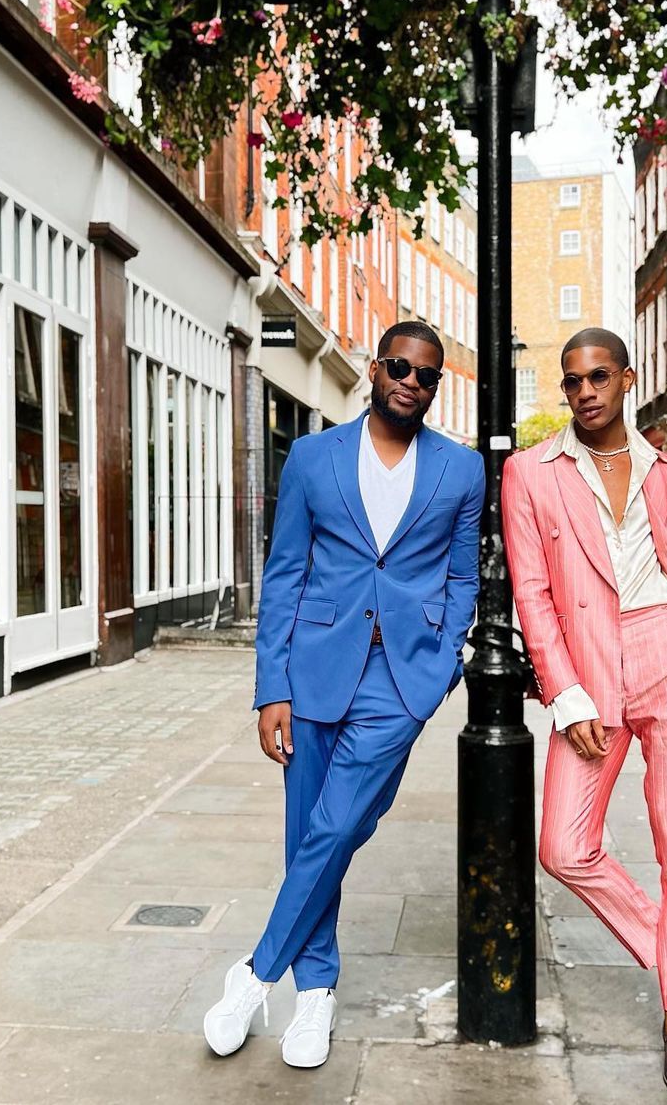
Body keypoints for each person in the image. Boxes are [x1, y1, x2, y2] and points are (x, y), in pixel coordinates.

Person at [203, 321, 484, 1070]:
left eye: (427, 375)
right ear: (373, 368)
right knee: (310, 834)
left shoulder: (460, 470)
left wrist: (443, 660)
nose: (411, 382)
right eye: (399, 366)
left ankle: (257, 973)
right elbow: (285, 574)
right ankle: (317, 991)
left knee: (336, 825)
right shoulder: (311, 458)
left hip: (401, 681)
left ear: (435, 386)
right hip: (313, 669)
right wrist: (272, 688)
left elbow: (463, 577)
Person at [501, 328, 667, 1098]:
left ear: (627, 379)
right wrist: (565, 691)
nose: (584, 393)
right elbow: (532, 595)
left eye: (598, 377)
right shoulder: (528, 473)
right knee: (564, 848)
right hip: (589, 669)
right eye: (571, 381)